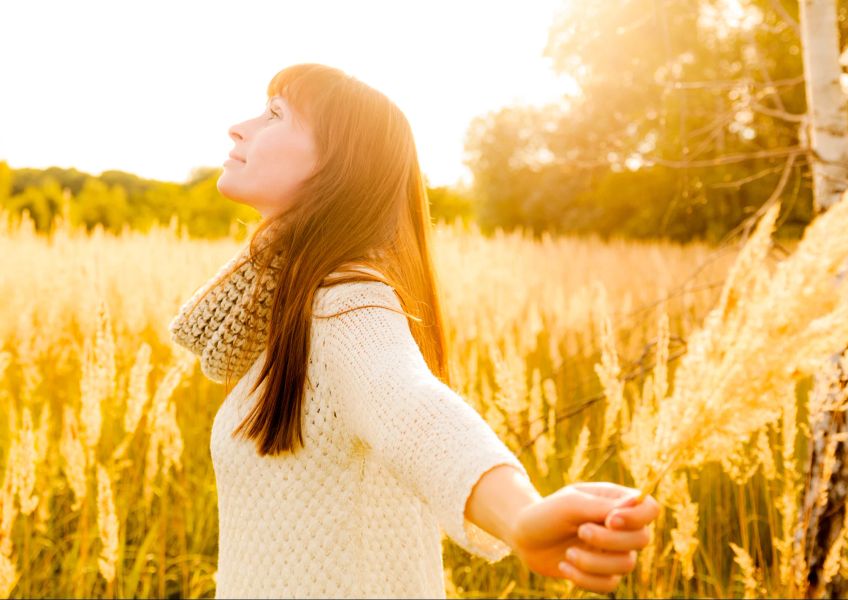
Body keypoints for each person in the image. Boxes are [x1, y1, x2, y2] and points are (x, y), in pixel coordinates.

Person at [169, 63, 660, 599]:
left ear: (337, 165)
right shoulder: (294, 309)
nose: (240, 127)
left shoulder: (346, 301)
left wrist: (523, 518)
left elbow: (413, 408)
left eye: (275, 114)